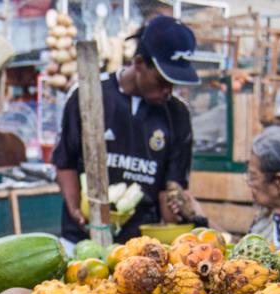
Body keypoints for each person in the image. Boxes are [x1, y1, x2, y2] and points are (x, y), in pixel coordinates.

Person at [52, 15, 201, 246]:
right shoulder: (88, 94)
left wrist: (178, 208)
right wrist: (75, 209)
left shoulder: (178, 114)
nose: (168, 90)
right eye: (162, 80)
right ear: (139, 63)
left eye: (174, 83)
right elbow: (65, 162)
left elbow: (170, 188)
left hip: (140, 249)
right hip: (81, 240)